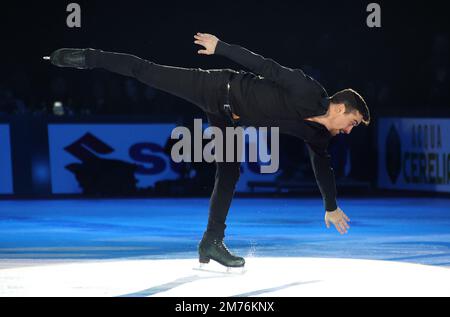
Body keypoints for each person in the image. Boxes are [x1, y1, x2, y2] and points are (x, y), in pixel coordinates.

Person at [46, 32, 370, 268]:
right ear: (341, 108)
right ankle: (85, 57)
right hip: (216, 86)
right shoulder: (308, 89)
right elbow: (267, 66)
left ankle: (211, 242)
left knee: (230, 170)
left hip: (227, 117)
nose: (349, 130)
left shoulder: (319, 135)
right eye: (353, 122)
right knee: (146, 71)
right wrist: (221, 48)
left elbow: (322, 165)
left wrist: (330, 205)